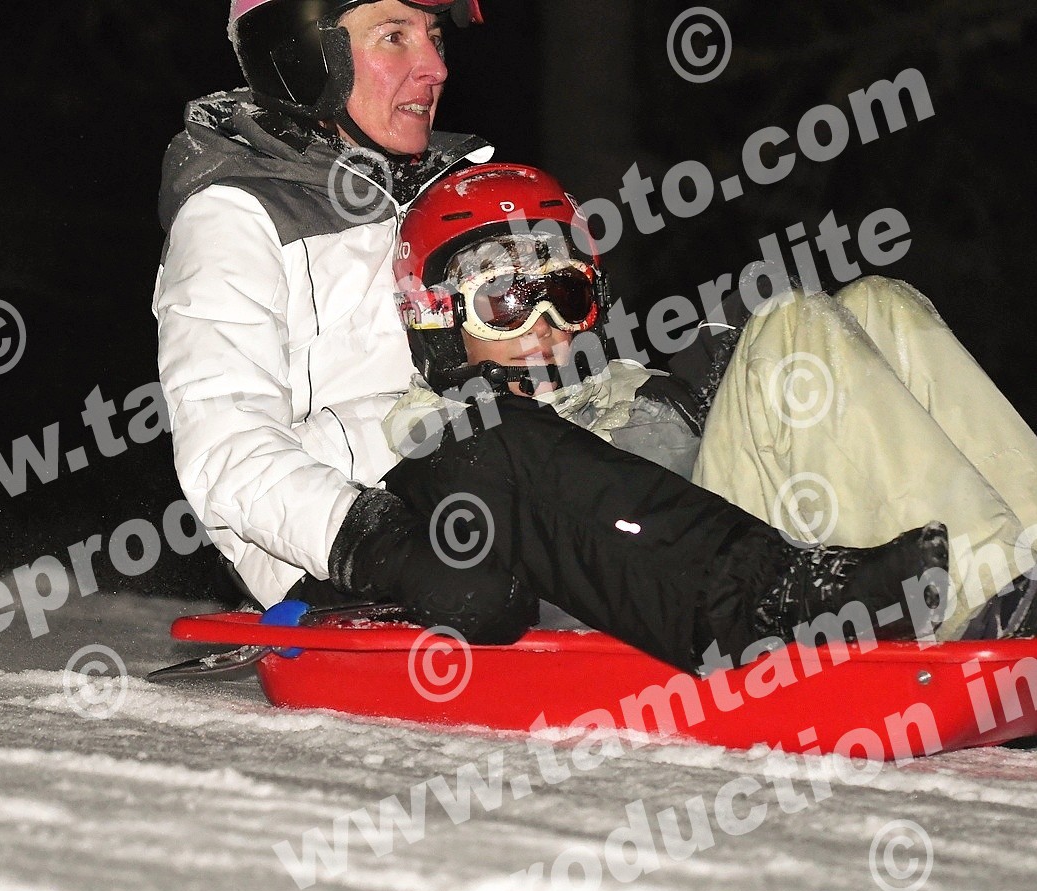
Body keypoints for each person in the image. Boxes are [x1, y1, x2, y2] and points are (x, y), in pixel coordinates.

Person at [155, 0, 953, 674]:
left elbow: (527, 348)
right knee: (486, 433)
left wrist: (670, 390)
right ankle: (777, 605)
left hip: (517, 479)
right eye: (395, 36)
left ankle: (983, 565)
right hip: (357, 552)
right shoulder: (233, 218)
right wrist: (378, 543)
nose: (434, 67)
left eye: (434, 36)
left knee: (835, 325)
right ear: (301, 52)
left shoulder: (437, 188)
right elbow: (225, 449)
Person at [390, 162, 1037, 641]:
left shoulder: (612, 384)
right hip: (667, 610)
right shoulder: (432, 429)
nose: (542, 326)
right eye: (503, 301)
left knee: (882, 302)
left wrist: (701, 390)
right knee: (792, 326)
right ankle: (990, 589)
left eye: (564, 293)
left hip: (749, 554)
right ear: (434, 316)